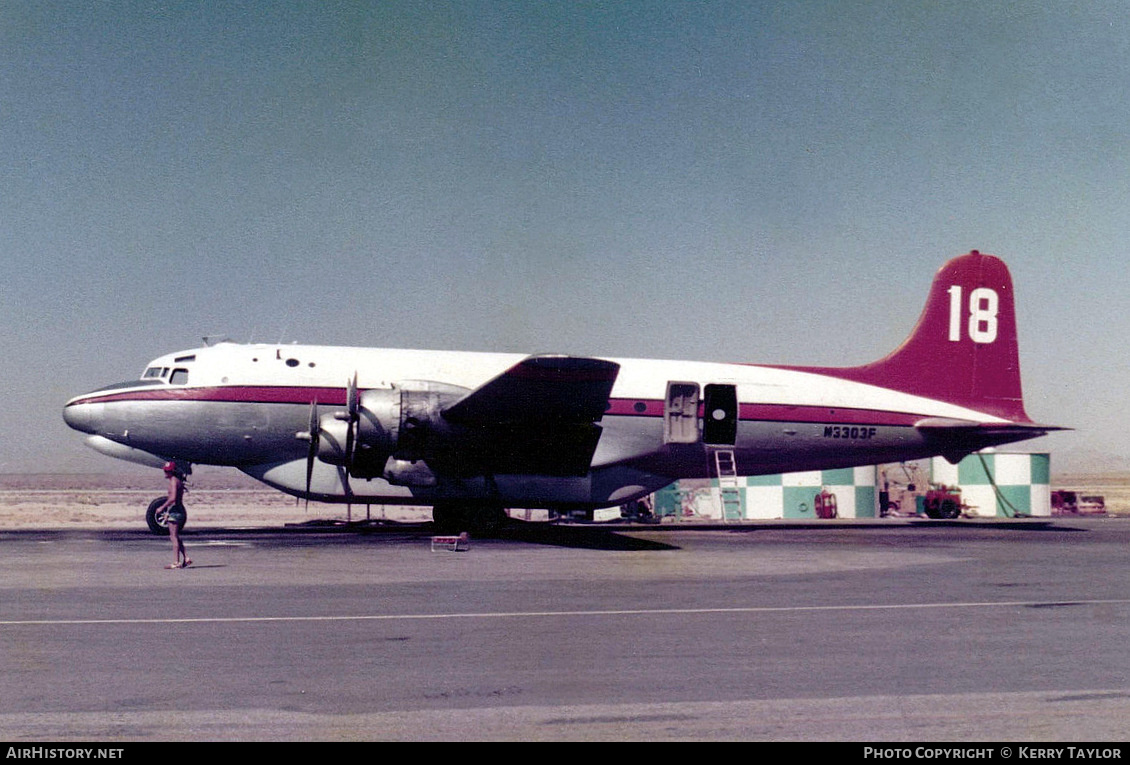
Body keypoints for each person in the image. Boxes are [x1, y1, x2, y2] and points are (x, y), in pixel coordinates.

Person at [158, 461, 192, 569]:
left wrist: (162, 508)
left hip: (175, 511)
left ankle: (176, 562)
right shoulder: (178, 481)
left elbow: (172, 498)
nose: (165, 473)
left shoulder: (173, 482)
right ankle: (186, 558)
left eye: (167, 471)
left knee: (173, 537)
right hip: (178, 510)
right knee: (176, 536)